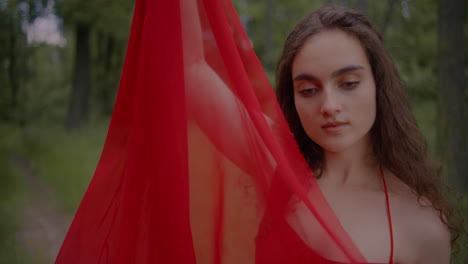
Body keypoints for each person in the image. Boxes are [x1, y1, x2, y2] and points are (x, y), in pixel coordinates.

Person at [269, 5, 456, 264]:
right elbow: (193, 72)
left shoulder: (419, 226)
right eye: (309, 90)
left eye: (348, 84)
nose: (329, 106)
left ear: (378, 85)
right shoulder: (272, 160)